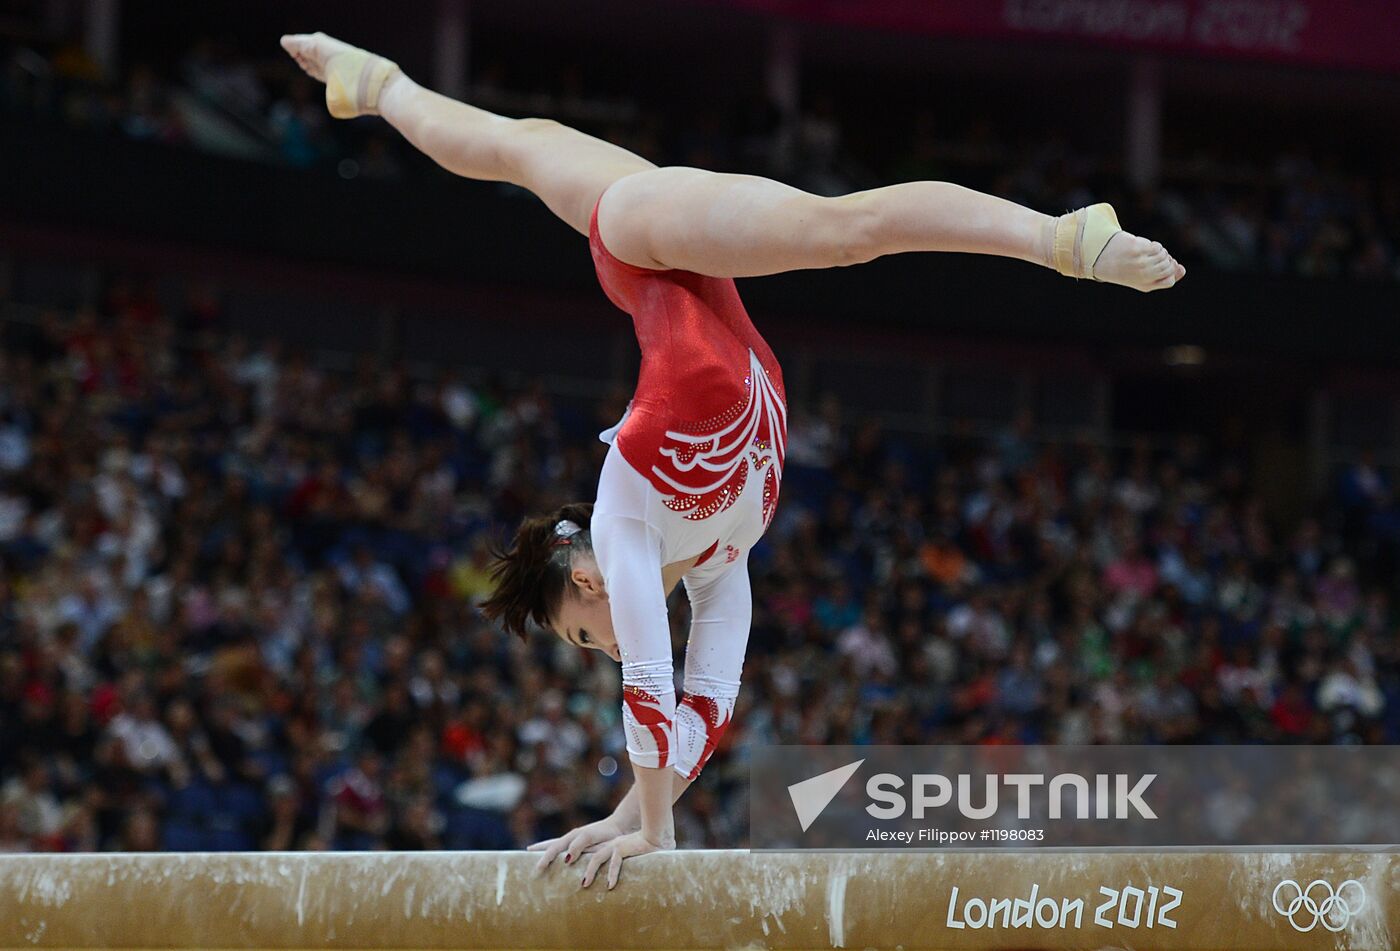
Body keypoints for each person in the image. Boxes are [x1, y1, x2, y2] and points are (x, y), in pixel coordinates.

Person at [280, 31, 1186, 888]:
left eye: (581, 634)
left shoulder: (621, 523)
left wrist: (652, 831)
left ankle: (1063, 238)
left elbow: (648, 677)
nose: (600, 646)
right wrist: (632, 809)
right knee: (513, 145)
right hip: (649, 258)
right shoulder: (720, 562)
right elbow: (707, 697)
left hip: (643, 232)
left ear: (589, 585)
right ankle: (378, 83)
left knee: (845, 230)